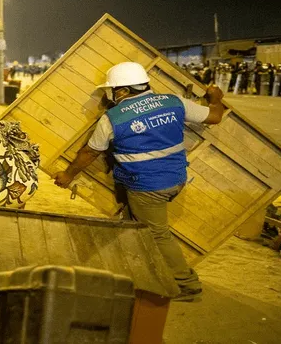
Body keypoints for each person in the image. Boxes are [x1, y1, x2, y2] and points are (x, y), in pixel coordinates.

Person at [52, 62, 225, 302]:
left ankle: (186, 285)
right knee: (135, 224)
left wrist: (68, 175)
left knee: (157, 234)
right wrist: (216, 98)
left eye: (111, 91)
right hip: (175, 178)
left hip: (148, 186)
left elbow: (89, 153)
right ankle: (141, 272)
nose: (108, 97)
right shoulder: (174, 102)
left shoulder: (112, 118)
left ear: (122, 91)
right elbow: (215, 116)